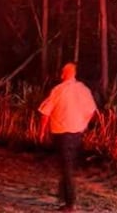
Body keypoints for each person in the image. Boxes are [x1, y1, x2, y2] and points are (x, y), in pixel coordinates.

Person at [37, 62, 98, 212]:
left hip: (62, 133)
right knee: (67, 166)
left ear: (64, 73)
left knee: (66, 167)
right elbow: (92, 111)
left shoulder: (58, 90)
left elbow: (45, 112)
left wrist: (41, 132)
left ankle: (69, 203)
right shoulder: (84, 90)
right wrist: (84, 124)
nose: (61, 74)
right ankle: (64, 198)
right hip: (77, 133)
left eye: (62, 72)